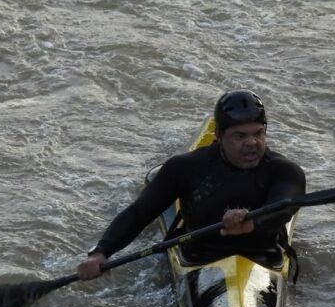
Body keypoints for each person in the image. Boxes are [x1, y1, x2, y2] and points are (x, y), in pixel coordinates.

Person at [77, 90, 306, 280]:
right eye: (240, 136)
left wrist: (250, 223)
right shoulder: (185, 168)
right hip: (198, 259)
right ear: (218, 135)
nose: (252, 143)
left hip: (262, 260)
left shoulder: (284, 171)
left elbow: (284, 206)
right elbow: (139, 213)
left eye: (258, 133)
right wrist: (100, 253)